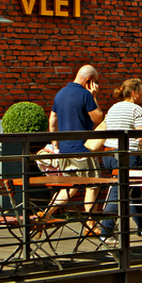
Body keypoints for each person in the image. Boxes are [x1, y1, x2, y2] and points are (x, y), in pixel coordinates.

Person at [98, 79, 142, 244]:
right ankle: (105, 231)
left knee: (131, 191)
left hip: (108, 155)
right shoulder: (136, 110)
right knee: (120, 192)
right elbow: (141, 137)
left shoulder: (113, 108)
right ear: (134, 92)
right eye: (141, 91)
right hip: (127, 156)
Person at [45, 65, 104, 223]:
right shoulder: (86, 94)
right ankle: (90, 226)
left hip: (65, 149)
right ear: (89, 80)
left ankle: (45, 215)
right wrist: (95, 97)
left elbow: (52, 120)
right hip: (83, 149)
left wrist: (55, 145)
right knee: (92, 185)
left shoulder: (60, 94)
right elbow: (98, 119)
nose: (96, 85)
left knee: (70, 187)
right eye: (95, 81)